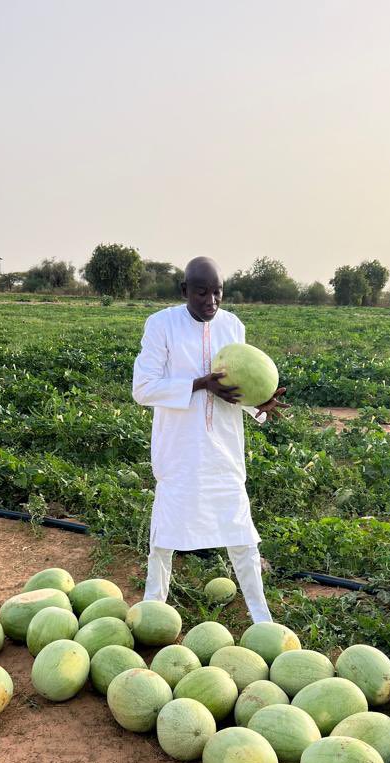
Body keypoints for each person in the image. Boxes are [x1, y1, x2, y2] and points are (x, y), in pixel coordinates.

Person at [132, 256, 288, 623]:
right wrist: (201, 383)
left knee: (241, 533)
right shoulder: (161, 325)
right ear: (184, 290)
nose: (211, 301)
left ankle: (262, 617)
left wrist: (259, 404)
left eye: (217, 292)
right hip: (179, 449)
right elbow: (143, 388)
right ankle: (153, 607)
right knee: (164, 536)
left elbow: (237, 389)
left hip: (223, 449)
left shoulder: (233, 326)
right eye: (201, 293)